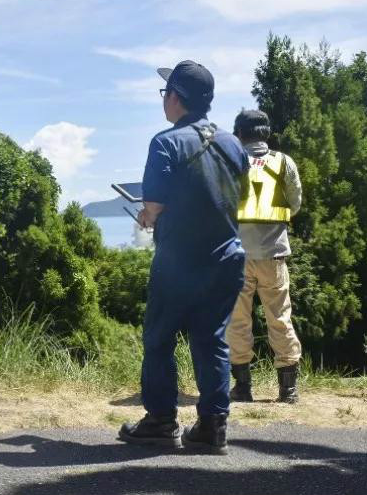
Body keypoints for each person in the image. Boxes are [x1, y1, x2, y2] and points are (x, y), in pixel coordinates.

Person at [117, 60, 249, 455]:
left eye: (165, 94)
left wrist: (146, 215)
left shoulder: (166, 142)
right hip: (227, 258)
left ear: (175, 97)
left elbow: (154, 204)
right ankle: (212, 427)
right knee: (211, 339)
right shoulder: (232, 144)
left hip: (179, 260)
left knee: (159, 339)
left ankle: (160, 421)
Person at [226, 109, 302, 404]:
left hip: (237, 256)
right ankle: (288, 389)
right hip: (274, 254)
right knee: (280, 317)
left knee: (238, 321)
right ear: (266, 133)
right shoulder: (284, 163)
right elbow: (294, 204)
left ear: (239, 134)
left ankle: (242, 388)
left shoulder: (231, 162)